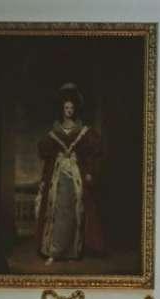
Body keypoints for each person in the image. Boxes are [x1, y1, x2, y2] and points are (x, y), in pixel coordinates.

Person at [35, 82, 104, 264]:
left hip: (75, 175)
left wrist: (89, 172)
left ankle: (72, 253)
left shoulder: (83, 131)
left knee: (75, 212)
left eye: (71, 107)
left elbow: (93, 153)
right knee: (57, 212)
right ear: (62, 109)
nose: (69, 110)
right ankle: (54, 252)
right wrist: (44, 179)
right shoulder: (54, 132)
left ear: (75, 110)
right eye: (66, 107)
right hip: (58, 176)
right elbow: (47, 155)